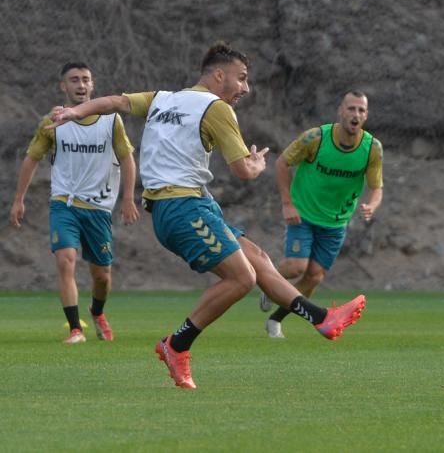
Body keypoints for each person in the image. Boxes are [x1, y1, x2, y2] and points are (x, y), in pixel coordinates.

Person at [48, 42, 366, 389]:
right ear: (219, 75)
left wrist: (75, 112)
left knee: (258, 261)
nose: (245, 87)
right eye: (241, 78)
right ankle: (176, 345)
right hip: (183, 208)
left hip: (183, 207)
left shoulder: (164, 98)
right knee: (241, 279)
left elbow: (115, 102)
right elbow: (243, 170)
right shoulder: (216, 108)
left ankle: (321, 318)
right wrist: (257, 164)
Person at [9, 62, 139, 344]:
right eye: (74, 80)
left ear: (92, 86)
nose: (80, 85)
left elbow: (127, 159)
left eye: (85, 80)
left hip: (99, 208)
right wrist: (19, 200)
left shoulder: (110, 120)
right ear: (63, 86)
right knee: (65, 261)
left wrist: (128, 198)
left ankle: (98, 312)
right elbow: (32, 158)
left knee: (102, 275)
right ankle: (75, 330)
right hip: (64, 203)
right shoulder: (52, 122)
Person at [258, 91, 383, 339]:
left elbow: (377, 187)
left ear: (366, 115)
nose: (355, 114)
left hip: (336, 223)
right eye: (351, 109)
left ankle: (275, 321)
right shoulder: (316, 138)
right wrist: (287, 203)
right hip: (302, 214)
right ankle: (269, 282)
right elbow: (282, 163)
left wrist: (372, 205)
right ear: (340, 111)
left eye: (361, 110)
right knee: (295, 267)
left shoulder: (372, 148)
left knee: (314, 277)